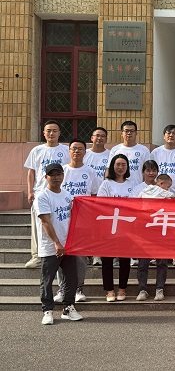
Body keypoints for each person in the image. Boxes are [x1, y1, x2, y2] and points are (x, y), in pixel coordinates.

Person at [53, 139, 102, 304]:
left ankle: (79, 288)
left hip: (82, 219)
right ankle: (62, 288)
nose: (76, 151)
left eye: (80, 149)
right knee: (62, 254)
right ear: (69, 151)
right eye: (73, 148)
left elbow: (94, 196)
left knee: (80, 255)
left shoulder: (90, 172)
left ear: (85, 152)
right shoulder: (62, 171)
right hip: (63, 218)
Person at [35, 163, 83, 325]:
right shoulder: (43, 196)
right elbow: (45, 222)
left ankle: (68, 308)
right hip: (51, 247)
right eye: (52, 175)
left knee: (71, 279)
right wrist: (56, 243)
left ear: (63, 176)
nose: (56, 178)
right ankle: (47, 310)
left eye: (59, 174)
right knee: (47, 280)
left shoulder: (67, 195)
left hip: (68, 245)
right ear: (46, 177)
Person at [23, 120, 70, 268]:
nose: (51, 133)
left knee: (61, 222)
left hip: (59, 194)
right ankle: (36, 256)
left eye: (54, 131)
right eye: (48, 131)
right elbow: (31, 172)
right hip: (41, 194)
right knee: (39, 225)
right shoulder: (37, 150)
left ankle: (65, 250)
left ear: (59, 133)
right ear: (44, 133)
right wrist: (30, 191)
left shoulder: (65, 150)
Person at [97, 154, 136, 302]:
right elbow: (100, 204)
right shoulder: (106, 184)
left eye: (123, 164)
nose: (120, 167)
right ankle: (109, 290)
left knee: (125, 260)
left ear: (127, 167)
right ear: (113, 166)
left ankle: (122, 289)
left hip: (126, 227)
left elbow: (136, 204)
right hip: (109, 226)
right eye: (117, 164)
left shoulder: (132, 184)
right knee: (107, 260)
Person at [136, 174, 175, 302]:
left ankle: (159, 288)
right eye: (168, 186)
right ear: (161, 183)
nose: (168, 189)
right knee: (144, 262)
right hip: (147, 230)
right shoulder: (148, 192)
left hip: (161, 230)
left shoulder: (164, 195)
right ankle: (143, 289)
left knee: (161, 262)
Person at [82, 127, 111, 267]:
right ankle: (88, 253)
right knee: (88, 228)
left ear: (106, 139)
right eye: (97, 135)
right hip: (87, 197)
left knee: (102, 228)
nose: (100, 138)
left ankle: (99, 254)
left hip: (105, 197)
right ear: (92, 138)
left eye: (103, 136)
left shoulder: (110, 154)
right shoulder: (85, 154)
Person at [150, 124, 175, 198]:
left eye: (174, 133)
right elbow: (151, 173)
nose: (171, 135)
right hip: (158, 193)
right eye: (168, 133)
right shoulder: (155, 152)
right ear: (164, 136)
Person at [108, 120, 151, 186]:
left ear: (136, 133)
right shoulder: (115, 150)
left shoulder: (144, 150)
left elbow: (148, 170)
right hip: (119, 187)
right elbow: (109, 168)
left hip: (138, 187)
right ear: (122, 133)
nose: (129, 133)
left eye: (132, 131)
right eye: (126, 131)